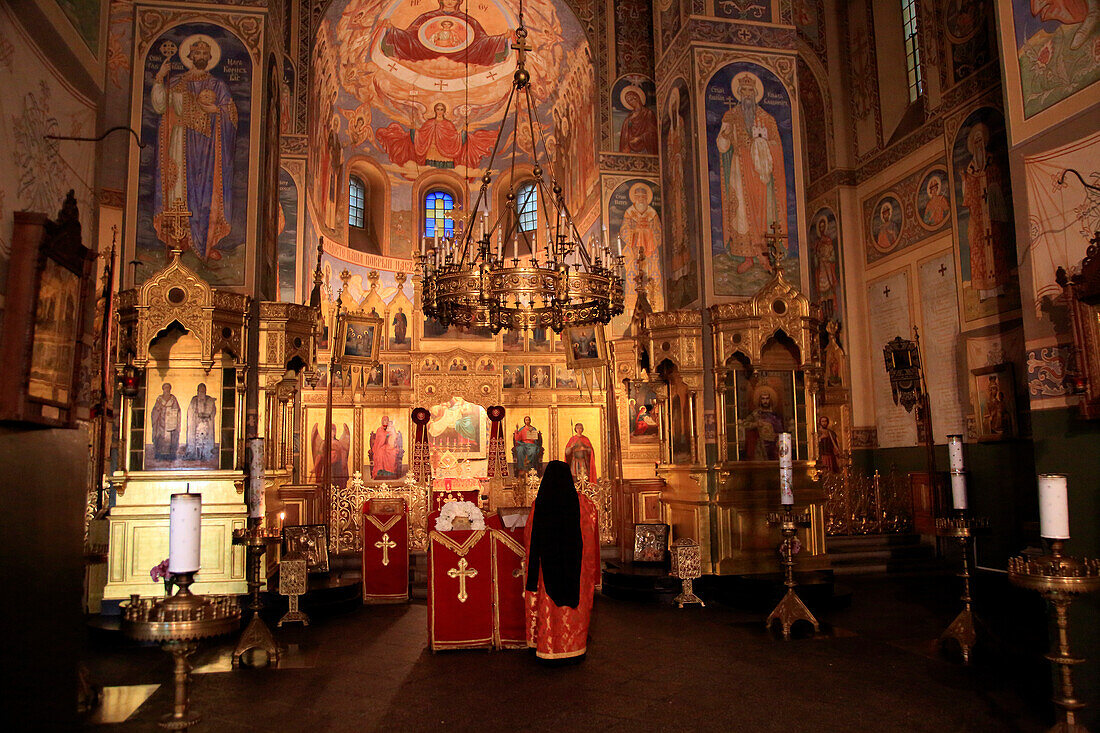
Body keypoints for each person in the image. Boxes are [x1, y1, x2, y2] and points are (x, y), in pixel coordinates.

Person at [151, 36, 238, 261]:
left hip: (208, 150)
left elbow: (231, 115)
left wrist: (216, 111)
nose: (200, 57)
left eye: (204, 54)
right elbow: (160, 104)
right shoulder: (176, 81)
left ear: (209, 58)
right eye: (197, 53)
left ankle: (206, 243)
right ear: (190, 57)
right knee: (179, 190)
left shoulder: (218, 86)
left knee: (207, 193)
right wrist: (160, 77)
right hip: (180, 144)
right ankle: (179, 241)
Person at [524, 460, 601, 663]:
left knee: (550, 610)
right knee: (574, 613)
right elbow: (591, 537)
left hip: (547, 569)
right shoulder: (585, 505)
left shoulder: (539, 505)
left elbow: (530, 537)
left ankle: (548, 648)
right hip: (577, 569)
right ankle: (574, 648)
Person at [716, 72, 786, 274]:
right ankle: (748, 257)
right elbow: (722, 146)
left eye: (750, 91)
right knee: (741, 215)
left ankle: (765, 256)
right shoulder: (730, 116)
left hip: (761, 175)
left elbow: (776, 146)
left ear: (755, 94)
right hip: (739, 172)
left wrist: (762, 145)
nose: (747, 95)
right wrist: (725, 135)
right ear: (739, 93)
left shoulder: (767, 118)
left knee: (762, 214)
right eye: (743, 91)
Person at [961, 122, 1011, 301]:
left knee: (996, 248)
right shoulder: (970, 170)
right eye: (976, 142)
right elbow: (967, 199)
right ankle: (984, 292)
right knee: (979, 253)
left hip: (992, 216)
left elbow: (999, 180)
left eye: (981, 140)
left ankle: (999, 289)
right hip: (979, 219)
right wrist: (966, 182)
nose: (979, 144)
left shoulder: (991, 162)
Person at [742, 387, 784, 460]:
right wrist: (756, 424)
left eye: (767, 399)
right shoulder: (755, 414)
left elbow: (780, 430)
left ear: (770, 400)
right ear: (760, 400)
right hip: (760, 445)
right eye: (763, 399)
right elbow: (745, 424)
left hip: (774, 445)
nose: (765, 401)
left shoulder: (775, 415)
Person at [618, 86, 658, 154]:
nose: (631, 101)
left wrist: (639, 138)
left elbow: (653, 132)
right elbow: (625, 135)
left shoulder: (648, 113)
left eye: (632, 98)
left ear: (637, 97)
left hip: (646, 148)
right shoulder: (629, 117)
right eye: (628, 100)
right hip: (631, 148)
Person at [186, 383, 217, 461]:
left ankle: (206, 454)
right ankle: (195, 454)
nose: (202, 392)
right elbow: (191, 411)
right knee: (197, 440)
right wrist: (196, 417)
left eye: (203, 391)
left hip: (206, 424)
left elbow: (213, 411)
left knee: (205, 440)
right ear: (197, 391)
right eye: (200, 391)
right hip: (196, 424)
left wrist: (208, 416)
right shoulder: (194, 399)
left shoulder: (209, 399)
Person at [151, 383, 182, 460]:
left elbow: (177, 410)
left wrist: (172, 412)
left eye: (168, 388)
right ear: (163, 389)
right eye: (165, 388)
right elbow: (155, 410)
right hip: (161, 422)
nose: (167, 389)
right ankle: (160, 455)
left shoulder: (173, 399)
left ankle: (170, 456)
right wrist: (158, 409)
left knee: (171, 438)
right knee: (160, 437)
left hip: (170, 422)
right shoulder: (159, 399)